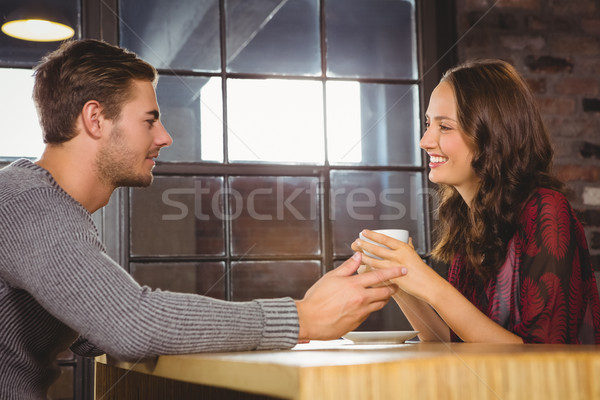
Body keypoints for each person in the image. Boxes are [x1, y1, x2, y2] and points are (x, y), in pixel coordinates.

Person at [0, 39, 406, 399]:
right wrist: (304, 316)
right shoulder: (28, 203)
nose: (164, 137)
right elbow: (130, 323)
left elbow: (101, 326)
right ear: (95, 119)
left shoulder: (50, 207)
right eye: (149, 119)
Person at [353, 59, 600, 344]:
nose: (424, 140)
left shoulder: (546, 211)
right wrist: (399, 280)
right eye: (427, 123)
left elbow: (538, 361)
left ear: (492, 136)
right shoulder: (471, 217)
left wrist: (429, 283)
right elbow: (453, 345)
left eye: (444, 127)